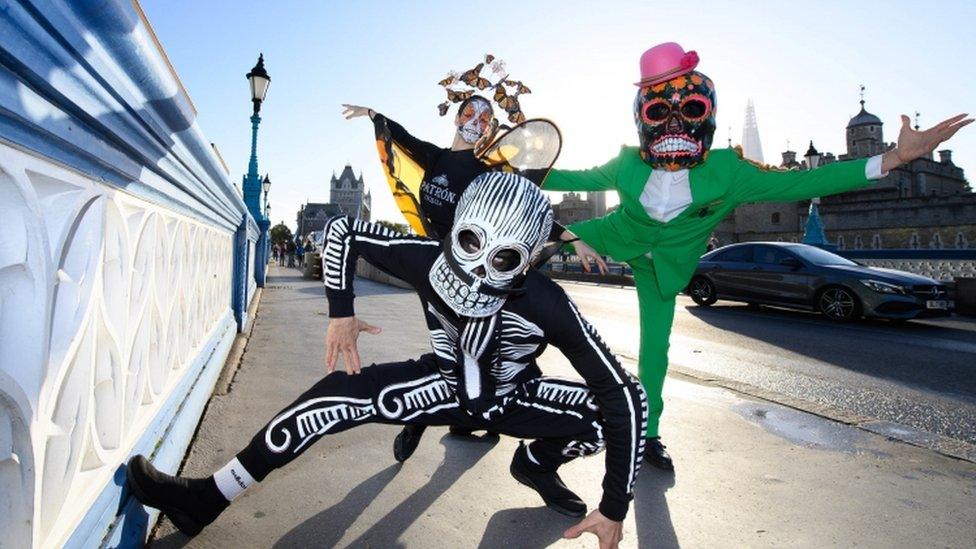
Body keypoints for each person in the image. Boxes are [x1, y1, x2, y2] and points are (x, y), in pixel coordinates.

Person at [126, 173, 647, 548]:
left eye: (503, 259)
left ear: (528, 260)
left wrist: (614, 506)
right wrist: (340, 312)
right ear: (454, 231)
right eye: (467, 244)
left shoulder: (547, 302)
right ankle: (206, 499)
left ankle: (535, 463)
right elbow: (343, 233)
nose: (474, 273)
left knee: (620, 413)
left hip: (511, 398)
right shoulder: (425, 258)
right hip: (443, 383)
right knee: (326, 401)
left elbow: (623, 394)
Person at [543, 41, 972, 471]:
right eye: (658, 112)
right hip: (615, 232)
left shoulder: (730, 173)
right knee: (524, 243)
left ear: (707, 113)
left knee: (655, 350)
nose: (674, 123)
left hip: (663, 266)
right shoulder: (626, 164)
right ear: (641, 118)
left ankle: (648, 433)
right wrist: (504, 156)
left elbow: (803, 183)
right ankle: (498, 361)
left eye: (689, 109)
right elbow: (559, 174)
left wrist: (895, 158)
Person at [342, 58, 608, 461]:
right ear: (457, 118)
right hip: (436, 270)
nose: (476, 120)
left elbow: (522, 212)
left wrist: (575, 240)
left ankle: (436, 420)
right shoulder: (434, 159)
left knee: (464, 353)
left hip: (472, 276)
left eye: (485, 118)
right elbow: (402, 137)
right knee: (455, 353)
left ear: (489, 130)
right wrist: (374, 115)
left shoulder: (485, 176)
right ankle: (440, 418)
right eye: (470, 112)